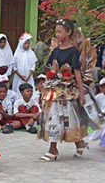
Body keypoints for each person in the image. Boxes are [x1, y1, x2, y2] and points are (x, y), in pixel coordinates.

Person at [38, 19, 89, 161]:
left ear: (69, 32)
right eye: (56, 31)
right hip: (54, 91)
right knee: (53, 117)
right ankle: (53, 149)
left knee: (68, 120)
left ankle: (78, 142)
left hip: (67, 93)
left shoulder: (73, 52)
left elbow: (77, 72)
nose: (57, 34)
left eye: (60, 31)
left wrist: (81, 93)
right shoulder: (55, 51)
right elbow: (50, 70)